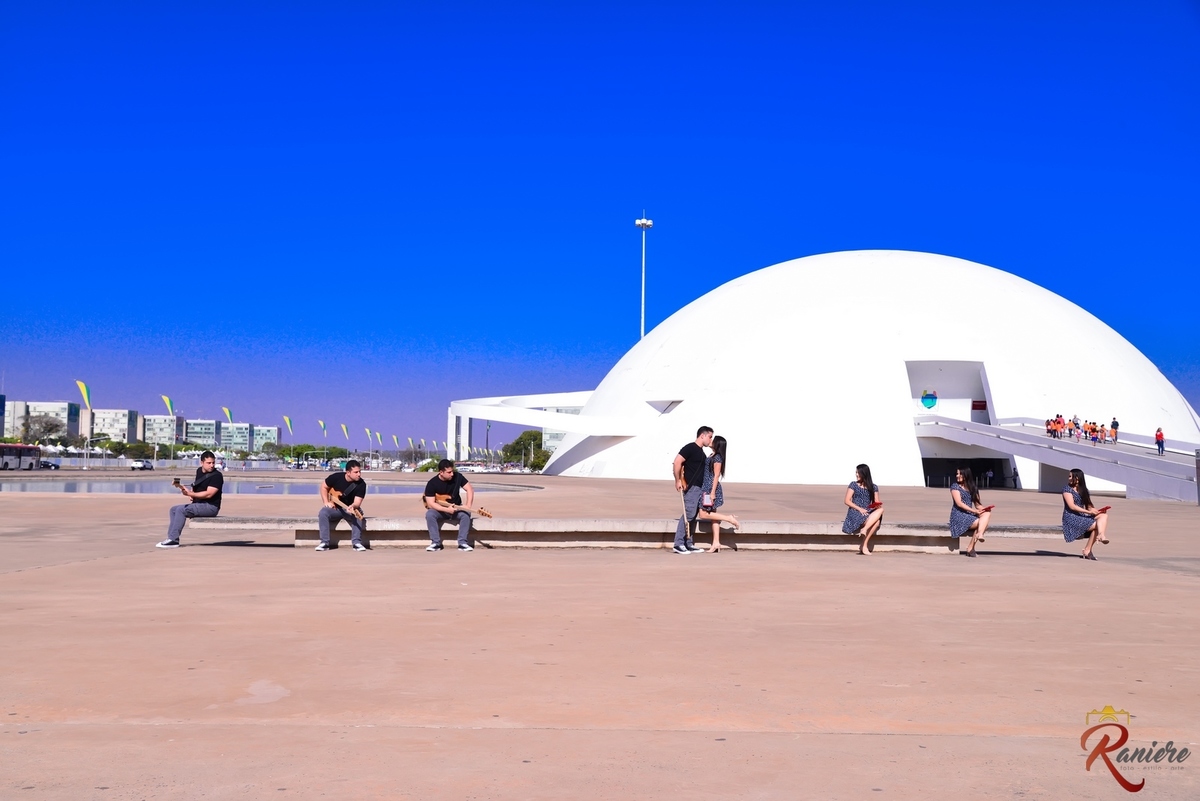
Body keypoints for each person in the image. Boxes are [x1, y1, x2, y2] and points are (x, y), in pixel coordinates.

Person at [156, 450, 223, 548]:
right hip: (199, 505)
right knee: (173, 510)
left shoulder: (217, 476)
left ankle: (173, 540)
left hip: (211, 507)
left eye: (213, 462)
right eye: (209, 463)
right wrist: (188, 492)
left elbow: (209, 494)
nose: (212, 465)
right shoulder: (199, 471)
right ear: (202, 463)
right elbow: (196, 488)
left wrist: (191, 494)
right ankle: (170, 538)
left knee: (181, 510)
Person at [672, 426, 713, 554]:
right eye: (710, 437)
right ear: (702, 435)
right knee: (688, 513)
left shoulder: (701, 452)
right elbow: (677, 462)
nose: (710, 440)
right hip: (692, 486)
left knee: (693, 515)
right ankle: (678, 543)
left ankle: (688, 543)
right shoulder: (690, 448)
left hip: (699, 487)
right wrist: (677, 480)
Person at [699, 435, 740, 552]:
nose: (711, 441)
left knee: (703, 514)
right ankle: (716, 543)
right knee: (713, 518)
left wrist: (712, 493)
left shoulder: (717, 458)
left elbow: (716, 475)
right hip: (707, 486)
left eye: (713, 440)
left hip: (710, 488)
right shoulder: (713, 455)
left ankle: (729, 518)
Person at [423, 459, 474, 551]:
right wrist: (447, 510)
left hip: (456, 509)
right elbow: (430, 504)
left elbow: (469, 489)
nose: (452, 474)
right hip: (440, 511)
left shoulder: (458, 477)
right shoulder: (432, 483)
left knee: (466, 514)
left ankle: (462, 543)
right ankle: (436, 543)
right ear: (441, 472)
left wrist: (468, 505)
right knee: (430, 514)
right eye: (449, 472)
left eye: (452, 471)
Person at [316, 459, 367, 551]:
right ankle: (324, 543)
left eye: (360, 471)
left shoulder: (361, 484)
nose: (359, 474)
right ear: (348, 472)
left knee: (357, 513)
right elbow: (323, 487)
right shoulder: (336, 477)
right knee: (323, 512)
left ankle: (356, 543)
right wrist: (326, 502)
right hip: (335, 509)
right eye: (356, 472)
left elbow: (357, 502)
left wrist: (353, 506)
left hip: (349, 509)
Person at [1061, 468, 1110, 560]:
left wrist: (1096, 511)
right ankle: (1091, 546)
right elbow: (1072, 506)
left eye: (1071, 476)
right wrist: (1089, 512)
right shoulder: (1067, 489)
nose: (1069, 478)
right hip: (1071, 518)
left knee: (1104, 516)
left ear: (1078, 478)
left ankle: (1099, 536)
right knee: (1097, 525)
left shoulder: (1084, 490)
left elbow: (1089, 506)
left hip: (1081, 517)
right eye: (1069, 476)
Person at [948, 467, 992, 558]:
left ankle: (977, 538)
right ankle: (972, 546)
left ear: (966, 475)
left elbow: (977, 504)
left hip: (970, 515)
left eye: (960, 474)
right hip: (958, 515)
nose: (958, 476)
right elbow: (959, 503)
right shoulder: (955, 487)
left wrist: (983, 509)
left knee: (987, 514)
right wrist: (974, 511)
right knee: (983, 524)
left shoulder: (973, 488)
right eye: (957, 474)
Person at [842, 464, 883, 555]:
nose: (857, 475)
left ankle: (864, 533)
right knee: (876, 523)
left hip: (867, 511)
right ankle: (864, 546)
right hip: (855, 511)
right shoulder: (853, 485)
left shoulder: (874, 487)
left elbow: (876, 501)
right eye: (856, 472)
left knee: (881, 510)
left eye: (858, 473)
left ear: (865, 474)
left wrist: (877, 505)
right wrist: (860, 509)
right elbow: (847, 501)